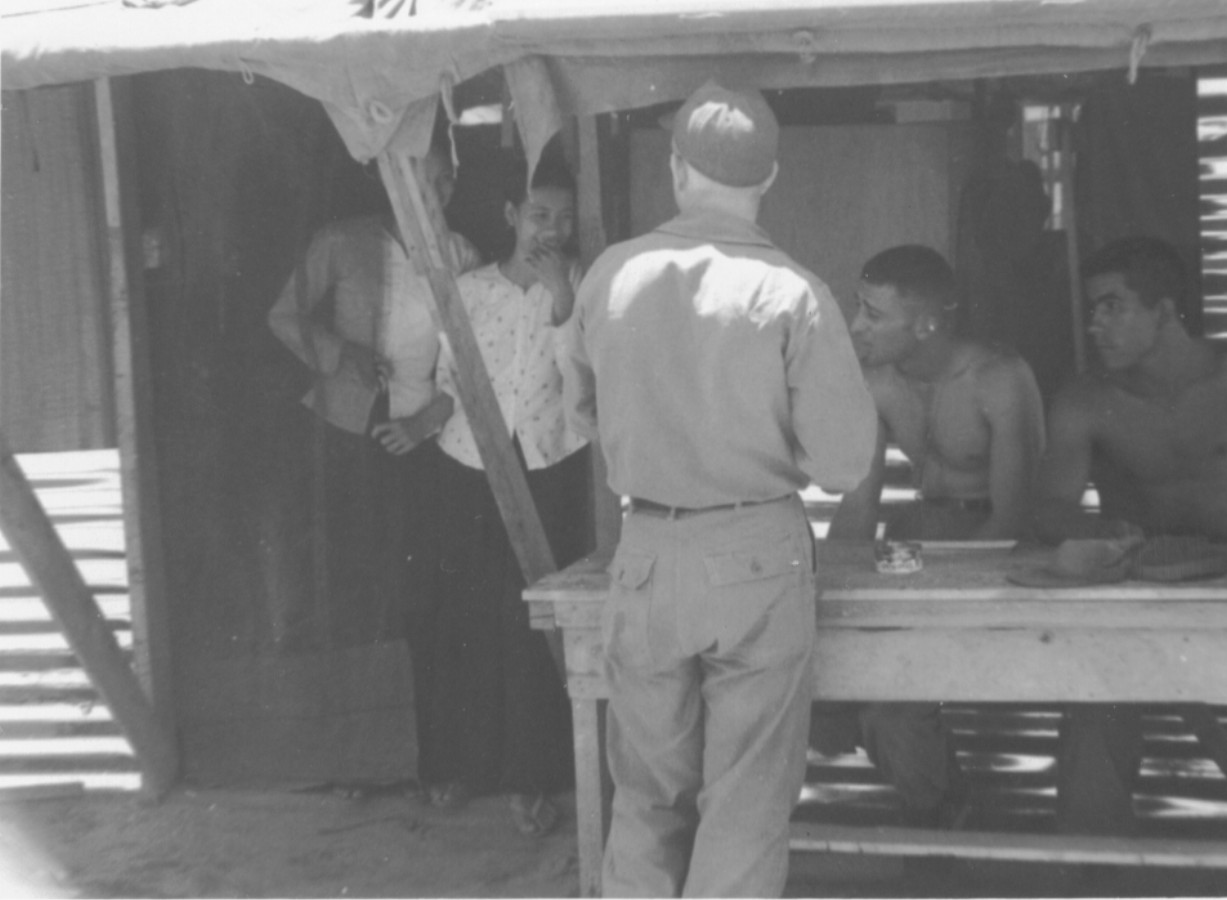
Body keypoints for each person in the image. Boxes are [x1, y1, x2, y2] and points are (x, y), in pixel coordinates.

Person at [564, 81, 877, 897]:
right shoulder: (792, 291)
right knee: (745, 800)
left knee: (645, 796)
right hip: (755, 557)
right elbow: (844, 463)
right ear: (769, 176)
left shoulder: (609, 275)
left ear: (676, 167)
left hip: (646, 552)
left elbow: (581, 408)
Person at [1028, 236, 1227, 836]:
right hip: (1129, 587)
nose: (1096, 326)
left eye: (1113, 307)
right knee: (1096, 700)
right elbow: (1048, 508)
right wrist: (1100, 529)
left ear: (1163, 311)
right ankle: (1091, 854)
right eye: (1093, 310)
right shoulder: (1087, 400)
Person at [819, 244, 1045, 825]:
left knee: (893, 707)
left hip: (996, 556)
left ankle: (945, 818)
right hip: (919, 542)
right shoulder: (876, 383)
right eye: (858, 307)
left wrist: (932, 603)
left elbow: (1012, 519)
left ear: (925, 324)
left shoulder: (999, 378)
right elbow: (859, 505)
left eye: (873, 313)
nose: (856, 325)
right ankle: (943, 810)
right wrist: (823, 595)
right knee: (823, 685)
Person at [400, 153, 587, 829]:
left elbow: (583, 380)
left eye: (564, 218)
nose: (552, 231)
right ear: (511, 216)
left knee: (533, 623)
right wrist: (422, 422)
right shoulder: (470, 290)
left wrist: (562, 300)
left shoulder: (582, 285)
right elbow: (449, 383)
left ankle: (529, 777)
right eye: (539, 215)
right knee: (466, 618)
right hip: (469, 464)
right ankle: (459, 768)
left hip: (548, 463)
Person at [266, 145, 479, 651]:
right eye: (426, 181)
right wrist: (342, 353)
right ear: (395, 182)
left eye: (446, 180)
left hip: (425, 434)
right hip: (343, 430)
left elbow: (478, 352)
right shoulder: (342, 240)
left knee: (414, 576)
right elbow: (283, 316)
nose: (438, 193)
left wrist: (429, 419)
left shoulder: (461, 256)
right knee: (346, 563)